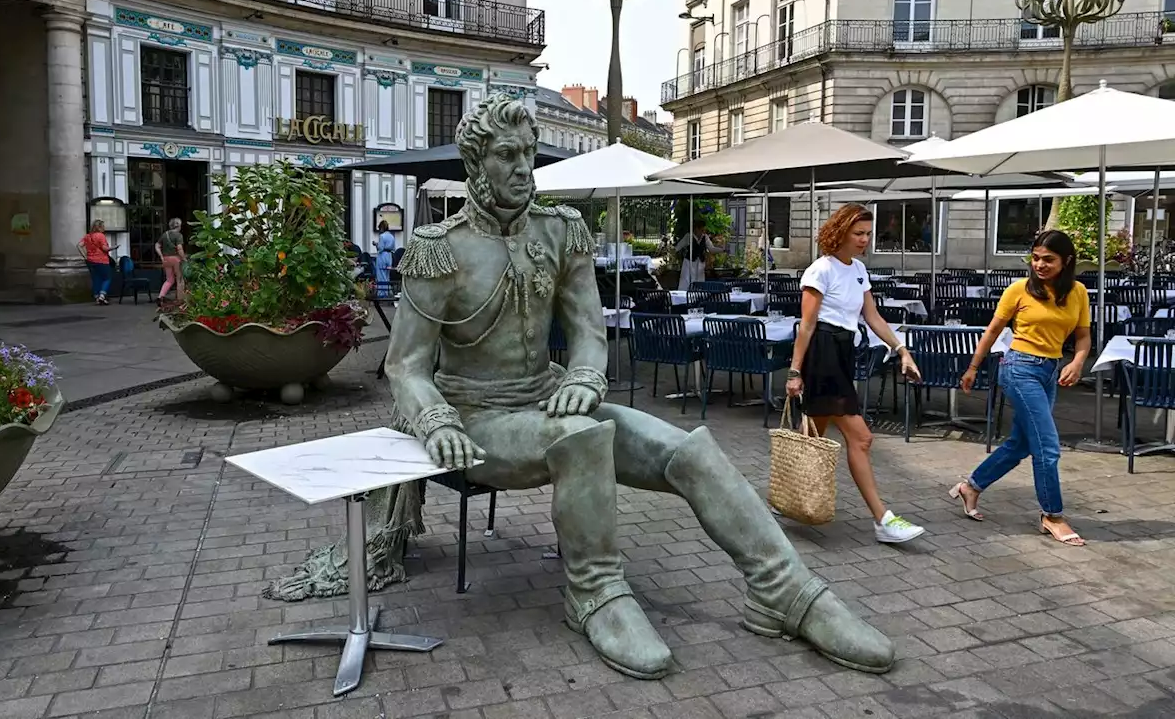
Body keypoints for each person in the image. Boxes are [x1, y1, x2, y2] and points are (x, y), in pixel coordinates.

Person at [384, 94, 894, 680]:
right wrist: (436, 421)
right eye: (506, 155)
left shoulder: (562, 230)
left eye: (527, 153)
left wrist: (582, 373)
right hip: (477, 416)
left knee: (690, 450)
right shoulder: (438, 247)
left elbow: (586, 329)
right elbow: (406, 366)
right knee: (579, 438)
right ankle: (594, 591)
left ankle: (784, 591)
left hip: (550, 397)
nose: (523, 168)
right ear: (475, 163)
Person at [787, 204, 926, 544]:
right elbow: (806, 325)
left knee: (812, 437)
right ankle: (883, 520)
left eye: (867, 233)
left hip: (843, 352)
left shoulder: (859, 269)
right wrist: (794, 371)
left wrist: (901, 350)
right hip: (822, 354)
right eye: (858, 233)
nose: (865, 239)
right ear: (841, 232)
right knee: (861, 438)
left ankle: (788, 496)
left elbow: (873, 316)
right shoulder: (820, 270)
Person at [952, 229, 1091, 546]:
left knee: (1022, 444)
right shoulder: (1018, 290)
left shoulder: (1078, 292)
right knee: (1048, 447)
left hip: (1049, 370)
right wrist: (973, 367)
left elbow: (1083, 337)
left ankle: (971, 487)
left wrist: (1077, 362)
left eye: (1049, 260)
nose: (1040, 265)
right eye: (1036, 258)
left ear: (1066, 261)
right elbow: (992, 332)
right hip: (1019, 368)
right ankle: (1052, 515)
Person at [675, 218, 722, 290]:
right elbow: (678, 247)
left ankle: (698, 297)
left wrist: (722, 249)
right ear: (696, 229)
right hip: (689, 263)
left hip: (700, 263)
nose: (703, 232)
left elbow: (711, 249)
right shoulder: (689, 236)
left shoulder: (705, 237)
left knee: (699, 283)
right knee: (686, 282)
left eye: (704, 231)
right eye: (702, 230)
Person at [78, 219, 115, 306]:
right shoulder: (100, 236)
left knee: (96, 279)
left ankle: (97, 297)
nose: (104, 228)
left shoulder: (88, 236)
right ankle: (102, 295)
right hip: (101, 260)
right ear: (99, 227)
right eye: (103, 226)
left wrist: (85, 256)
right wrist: (114, 247)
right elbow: (105, 249)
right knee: (107, 278)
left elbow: (79, 246)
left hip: (90, 261)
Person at [155, 218, 186, 302]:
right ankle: (180, 300)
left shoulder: (165, 234)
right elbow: (179, 249)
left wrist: (161, 256)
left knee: (169, 280)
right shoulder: (178, 235)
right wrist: (184, 258)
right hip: (176, 259)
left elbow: (157, 245)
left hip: (166, 259)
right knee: (179, 279)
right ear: (179, 226)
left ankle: (160, 297)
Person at [374, 220, 396, 297]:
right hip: (389, 256)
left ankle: (382, 294)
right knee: (387, 275)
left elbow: (380, 248)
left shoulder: (382, 236)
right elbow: (393, 248)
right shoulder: (392, 236)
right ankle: (387, 292)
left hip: (382, 256)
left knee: (381, 275)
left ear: (382, 228)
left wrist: (376, 244)